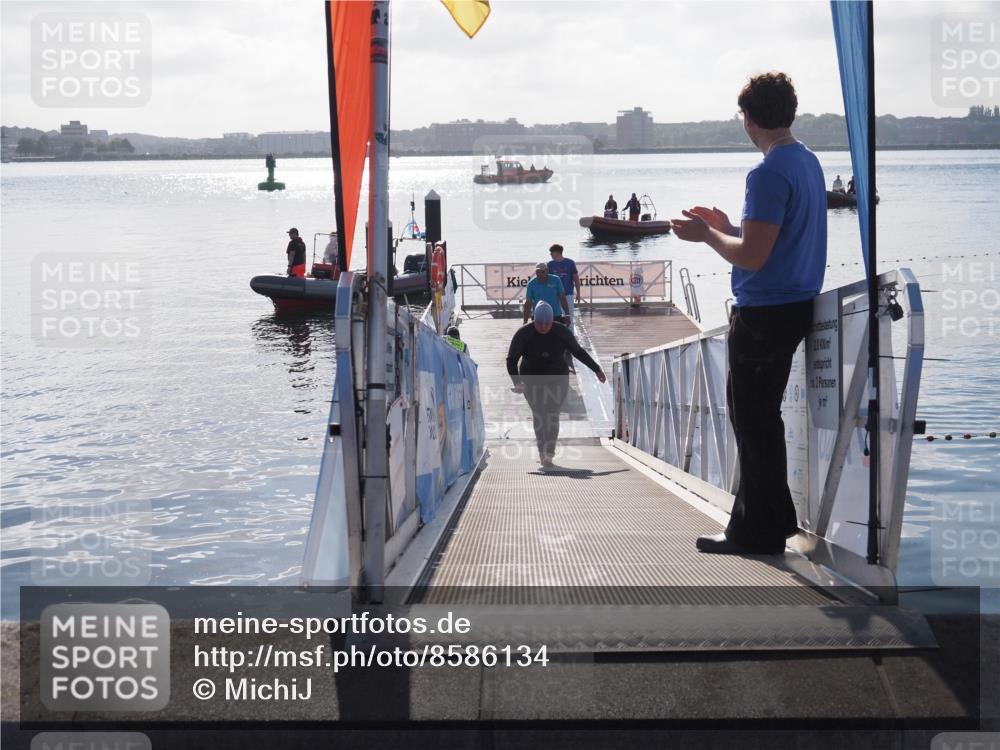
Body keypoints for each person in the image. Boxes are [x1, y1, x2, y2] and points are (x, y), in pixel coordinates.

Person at [670, 71, 826, 556]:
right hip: (797, 303)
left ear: (750, 118)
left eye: (742, 115)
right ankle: (775, 517)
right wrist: (729, 224)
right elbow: (773, 237)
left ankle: (755, 532)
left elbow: (752, 257)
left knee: (752, 420)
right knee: (762, 418)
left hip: (764, 312)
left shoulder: (767, 172)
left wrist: (707, 236)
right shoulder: (808, 162)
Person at [507, 301, 606, 467]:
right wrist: (517, 382)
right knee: (539, 414)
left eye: (548, 323)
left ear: (553, 321)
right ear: (534, 320)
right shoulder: (524, 334)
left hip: (557, 377)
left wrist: (596, 369)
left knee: (552, 413)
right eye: (540, 323)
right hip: (531, 378)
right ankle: (541, 450)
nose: (544, 327)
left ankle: (549, 453)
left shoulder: (561, 332)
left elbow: (578, 352)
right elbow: (511, 360)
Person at [523, 262, 569, 326]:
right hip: (538, 317)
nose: (540, 274)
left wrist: (567, 314)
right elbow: (528, 303)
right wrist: (525, 322)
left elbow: (562, 297)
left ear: (547, 271)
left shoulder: (556, 280)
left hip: (555, 315)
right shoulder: (531, 284)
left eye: (542, 271)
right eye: (537, 272)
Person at [547, 244, 581, 332]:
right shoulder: (550, 264)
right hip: (554, 296)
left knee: (569, 317)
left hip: (568, 294)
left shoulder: (570, 263)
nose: (550, 255)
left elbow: (576, 279)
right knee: (555, 318)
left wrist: (578, 293)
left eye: (551, 253)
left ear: (557, 252)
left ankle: (571, 338)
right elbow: (547, 280)